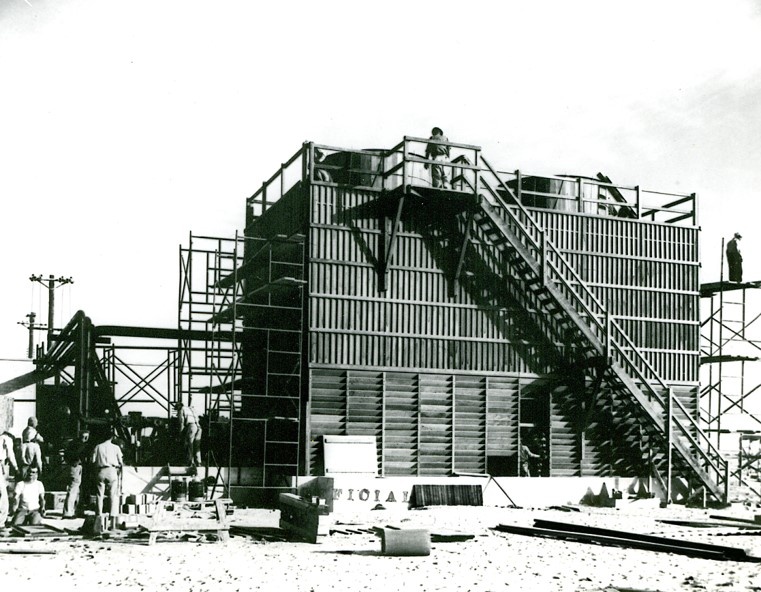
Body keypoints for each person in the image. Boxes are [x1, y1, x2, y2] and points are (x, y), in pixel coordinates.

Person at [90, 431, 123, 516]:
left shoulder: (98, 447)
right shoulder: (116, 448)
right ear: (111, 438)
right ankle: (112, 514)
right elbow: (121, 462)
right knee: (113, 494)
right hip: (112, 471)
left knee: (99, 494)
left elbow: (92, 461)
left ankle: (98, 514)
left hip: (100, 471)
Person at [62, 430, 90, 519]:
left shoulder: (72, 443)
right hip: (76, 467)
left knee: (76, 490)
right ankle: (68, 512)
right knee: (73, 489)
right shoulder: (81, 445)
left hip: (74, 466)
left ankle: (74, 510)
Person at [0, 431, 19, 526]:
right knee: (3, 496)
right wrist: (16, 468)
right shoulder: (7, 439)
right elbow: (10, 454)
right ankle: (1, 522)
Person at [176, 402, 202, 467]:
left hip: (192, 426)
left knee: (189, 444)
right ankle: (198, 462)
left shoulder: (181, 410)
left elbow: (181, 422)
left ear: (178, 407)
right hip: (199, 427)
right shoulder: (189, 409)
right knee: (196, 445)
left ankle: (190, 462)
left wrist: (180, 433)